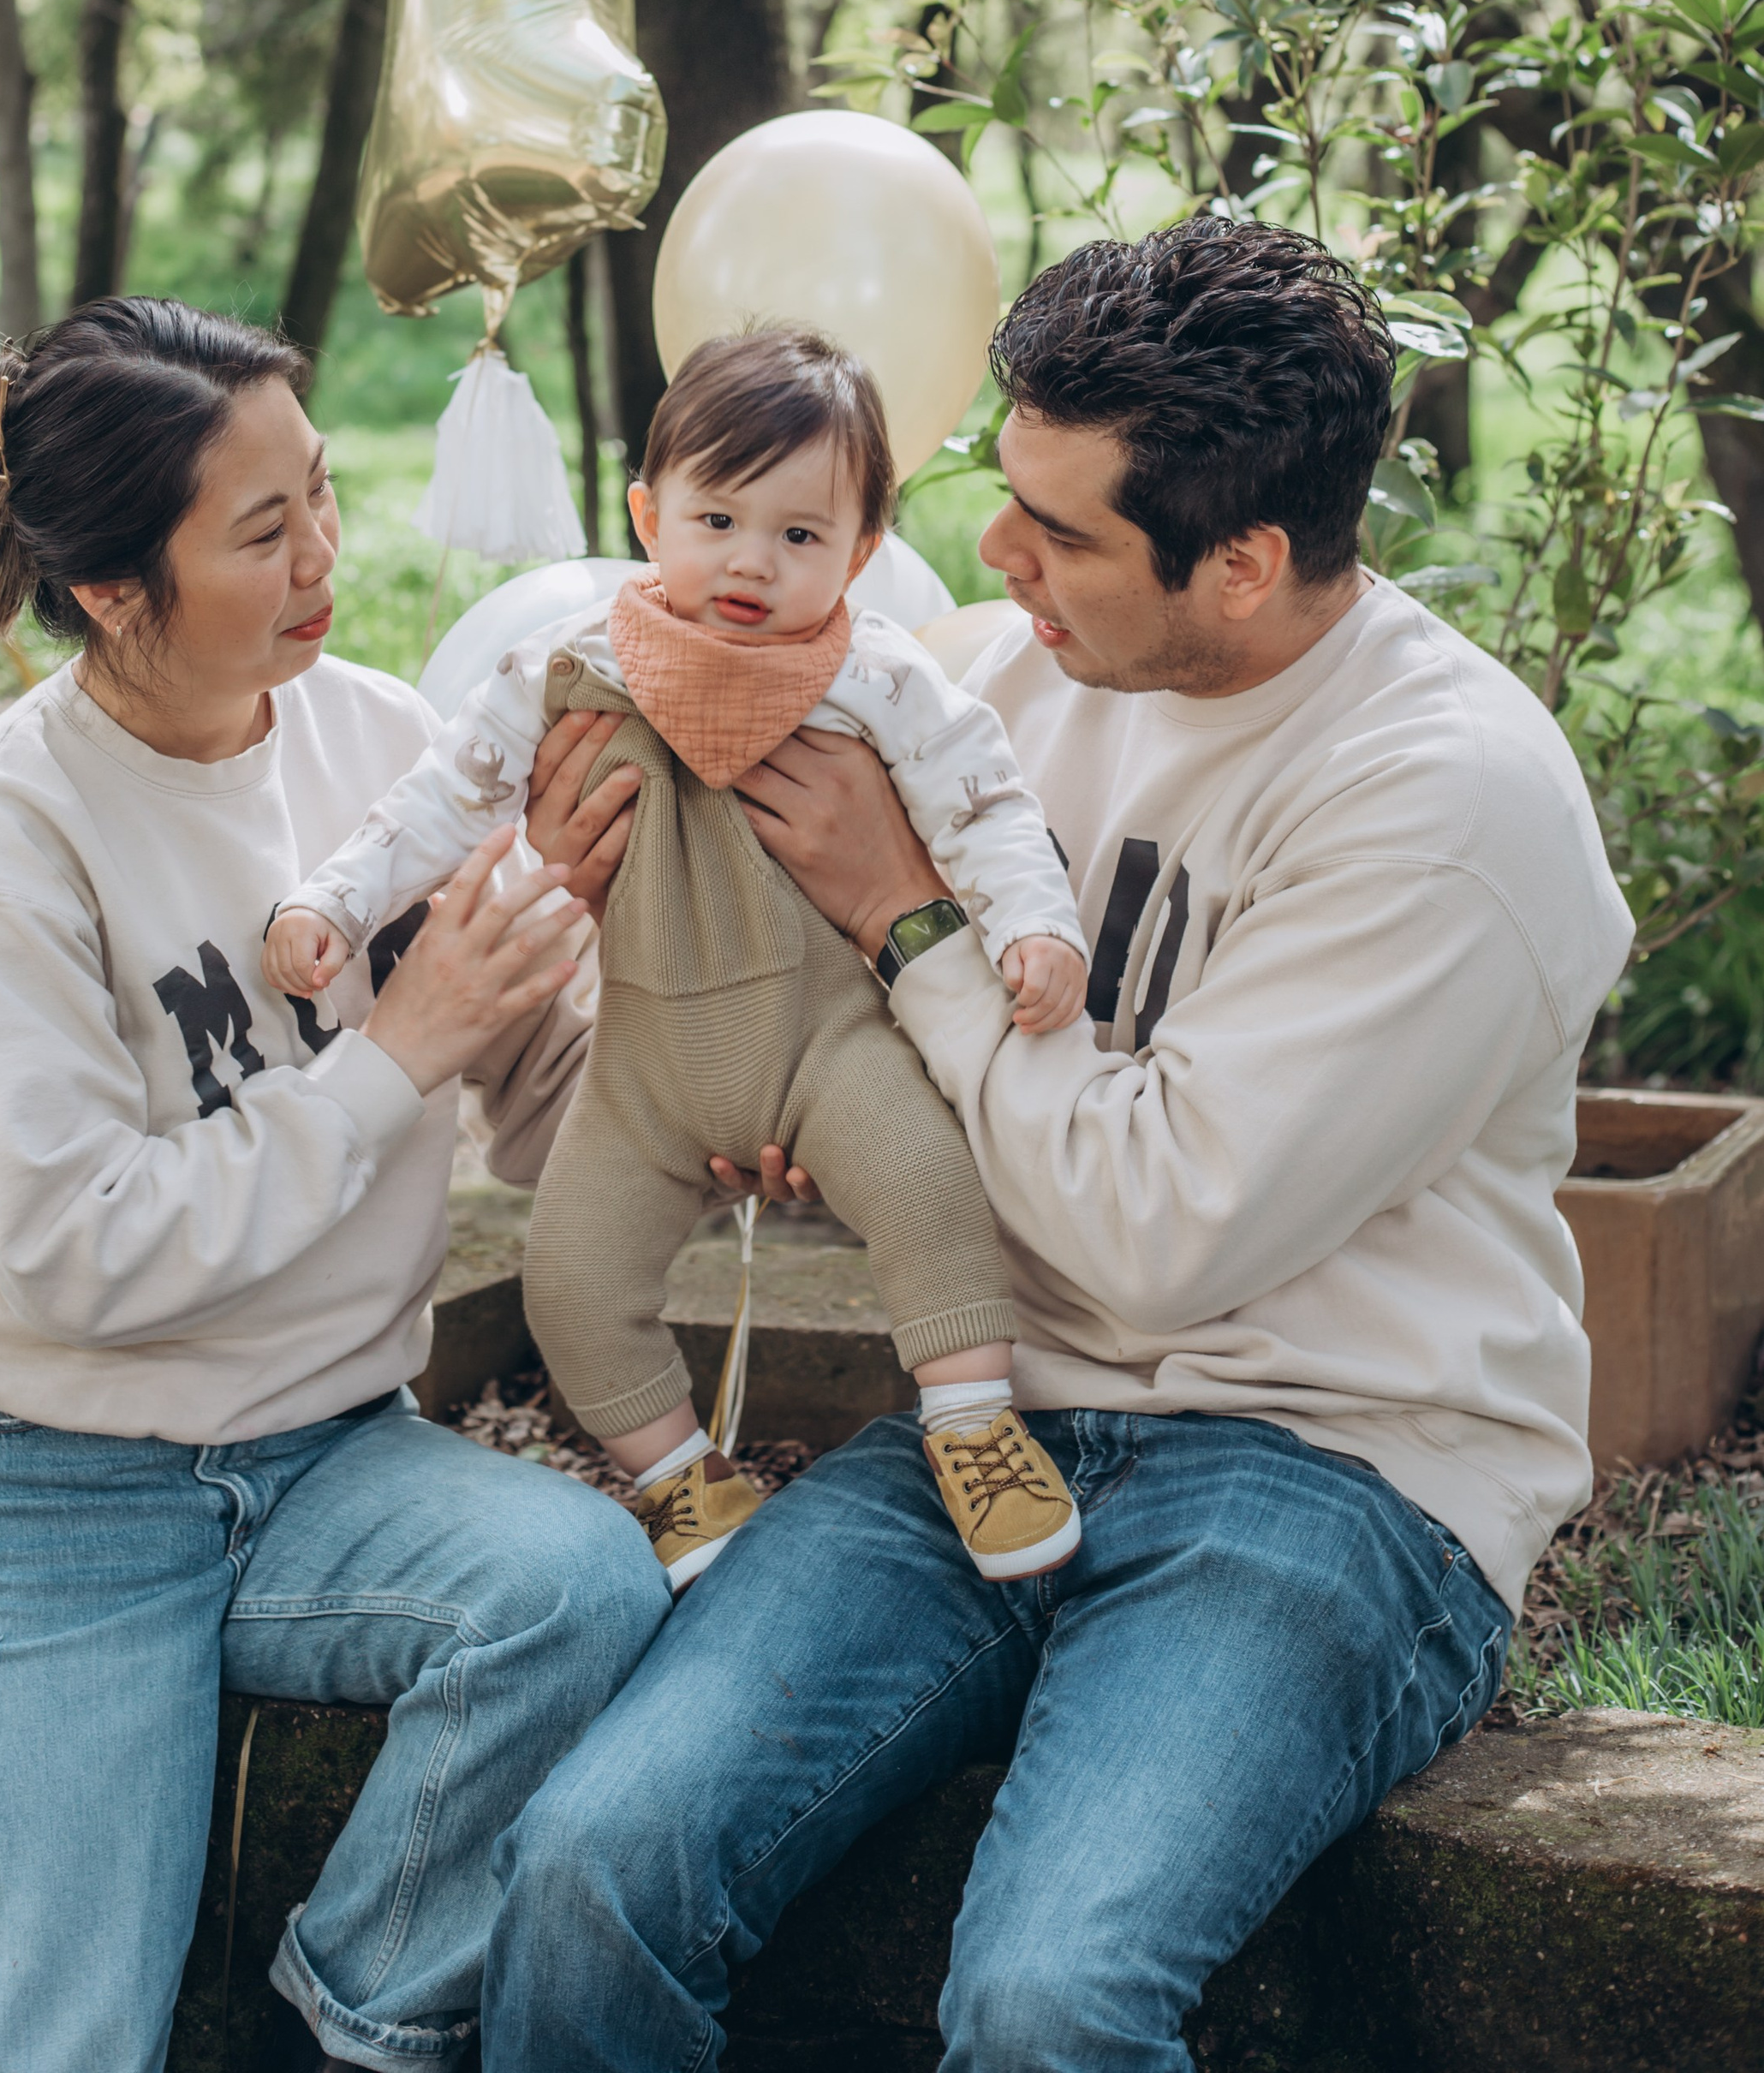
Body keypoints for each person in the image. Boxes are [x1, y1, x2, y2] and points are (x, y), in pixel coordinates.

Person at [485, 217, 1633, 2073]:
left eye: (1060, 532)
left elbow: (1158, 1235)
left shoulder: (1445, 806)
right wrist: (654, 937)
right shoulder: (995, 684)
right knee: (583, 1870)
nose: (990, 558)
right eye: (996, 496)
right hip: (985, 1415)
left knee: (1045, 2004)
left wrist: (897, 923)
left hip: (1326, 1470)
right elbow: (728, 1062)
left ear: (1241, 565)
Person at [0, 296, 664, 2073]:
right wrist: (400, 1047)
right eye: (261, 528)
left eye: (320, 492)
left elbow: (526, 1117)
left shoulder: (376, 745)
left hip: (327, 1455)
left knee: (580, 1587)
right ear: (113, 591)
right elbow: (80, 1258)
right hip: (37, 1489)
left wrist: (603, 992)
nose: (323, 555)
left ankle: (346, 2027)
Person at [269, 327, 1088, 1593]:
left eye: (801, 536)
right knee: (571, 1282)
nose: (752, 564)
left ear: (864, 554)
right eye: (717, 519)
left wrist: (1037, 926)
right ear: (650, 516)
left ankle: (971, 1422)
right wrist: (335, 897)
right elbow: (443, 799)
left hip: (828, 1046)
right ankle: (678, 1478)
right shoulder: (569, 670)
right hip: (644, 1065)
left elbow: (984, 804)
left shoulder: (875, 676)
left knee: (932, 1189)